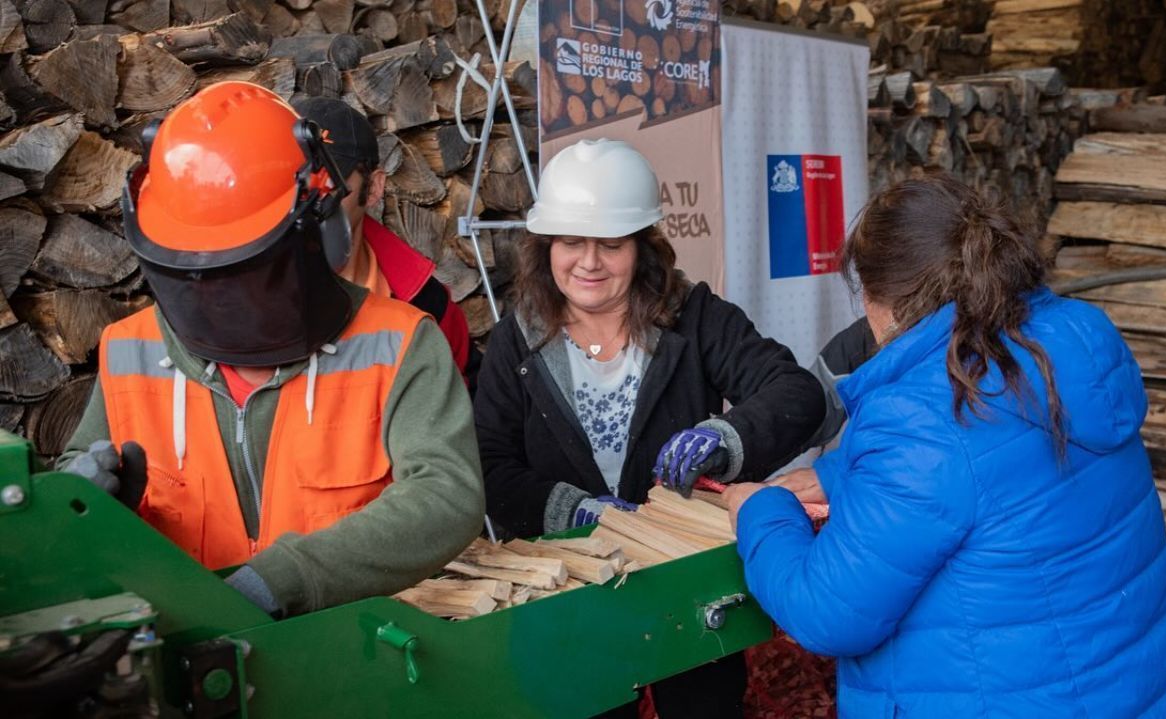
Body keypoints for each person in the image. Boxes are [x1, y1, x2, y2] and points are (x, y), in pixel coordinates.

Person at [727, 175, 1166, 717]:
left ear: (879, 297)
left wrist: (761, 512)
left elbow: (826, 612)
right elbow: (998, 471)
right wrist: (841, 477)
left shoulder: (919, 417)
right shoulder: (1071, 335)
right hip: (1147, 688)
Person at [57, 82, 485, 618]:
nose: (219, 298)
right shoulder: (128, 350)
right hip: (176, 635)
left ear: (322, 229)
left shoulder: (400, 342)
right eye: (200, 272)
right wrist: (81, 500)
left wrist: (283, 580)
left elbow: (447, 495)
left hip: (349, 649)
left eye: (243, 272)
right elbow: (80, 467)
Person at [473, 138, 829, 717]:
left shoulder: (692, 315)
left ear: (642, 247)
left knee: (703, 707)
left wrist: (725, 438)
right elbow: (490, 463)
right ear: (545, 246)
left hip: (685, 576)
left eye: (611, 244)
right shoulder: (520, 339)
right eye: (570, 242)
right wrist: (574, 510)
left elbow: (796, 393)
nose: (589, 262)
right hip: (574, 585)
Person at [292, 97, 482, 392]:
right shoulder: (241, 290)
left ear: (374, 188)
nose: (307, 196)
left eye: (329, 182)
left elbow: (468, 404)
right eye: (294, 179)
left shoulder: (427, 303)